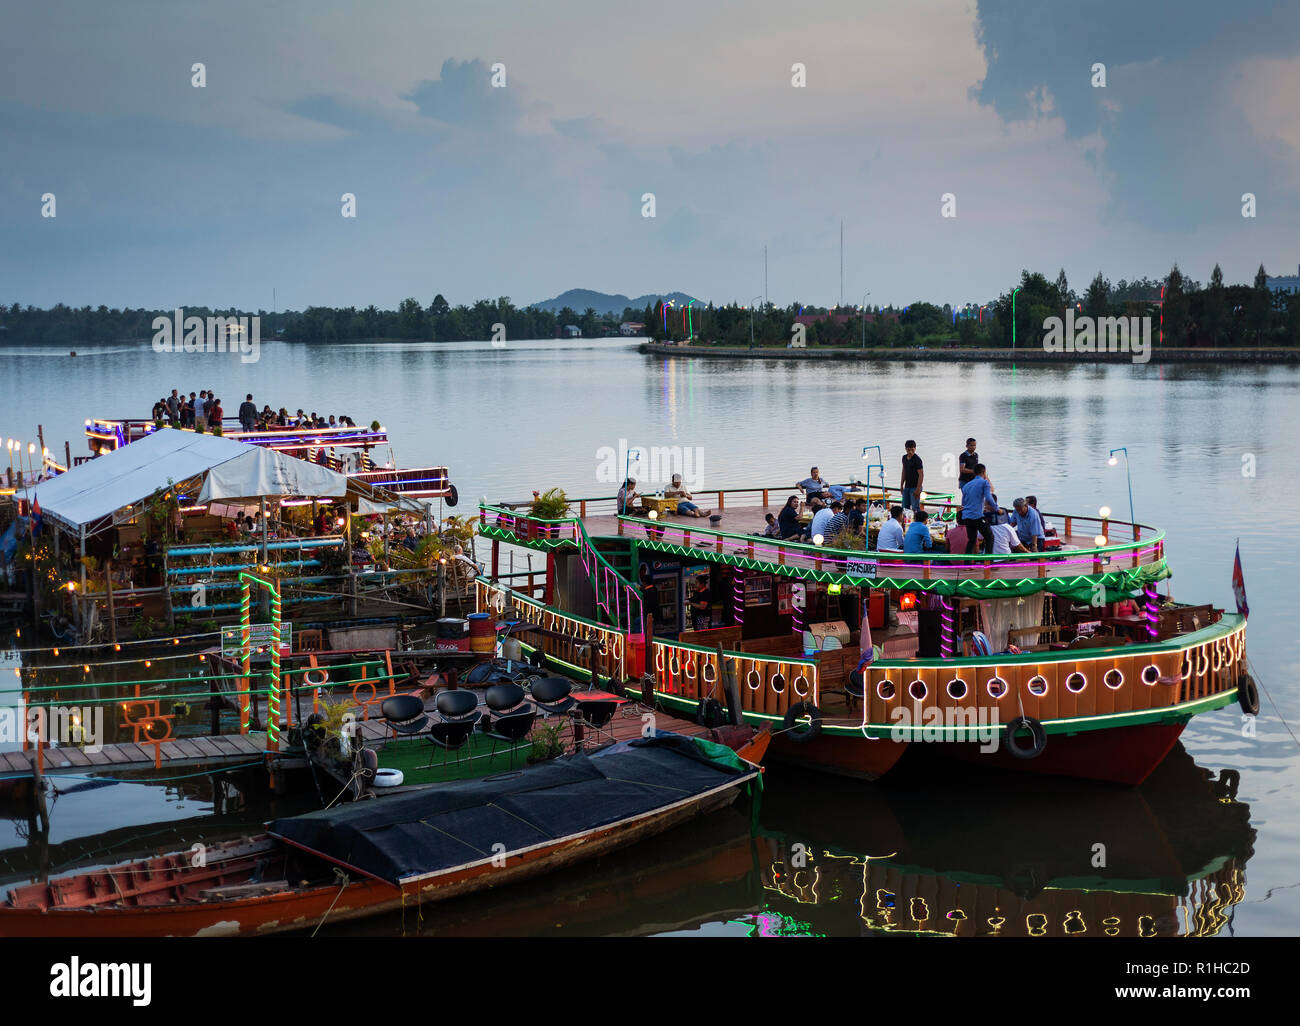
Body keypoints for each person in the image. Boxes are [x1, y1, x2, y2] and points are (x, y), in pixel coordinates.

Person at [959, 463, 995, 554]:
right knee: (989, 537)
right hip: (977, 516)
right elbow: (989, 497)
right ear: (984, 472)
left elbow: (963, 503)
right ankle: (988, 563)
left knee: (971, 540)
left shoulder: (966, 485)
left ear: (974, 473)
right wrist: (997, 508)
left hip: (967, 516)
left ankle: (967, 565)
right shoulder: (984, 482)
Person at [900, 440, 924, 513]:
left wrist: (918, 489)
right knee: (904, 507)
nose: (910, 452)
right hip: (907, 486)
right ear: (906, 449)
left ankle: (917, 522)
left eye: (912, 449)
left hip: (915, 487)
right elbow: (904, 471)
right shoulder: (904, 458)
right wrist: (901, 485)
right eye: (908, 450)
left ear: (915, 448)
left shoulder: (917, 460)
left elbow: (921, 475)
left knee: (915, 507)